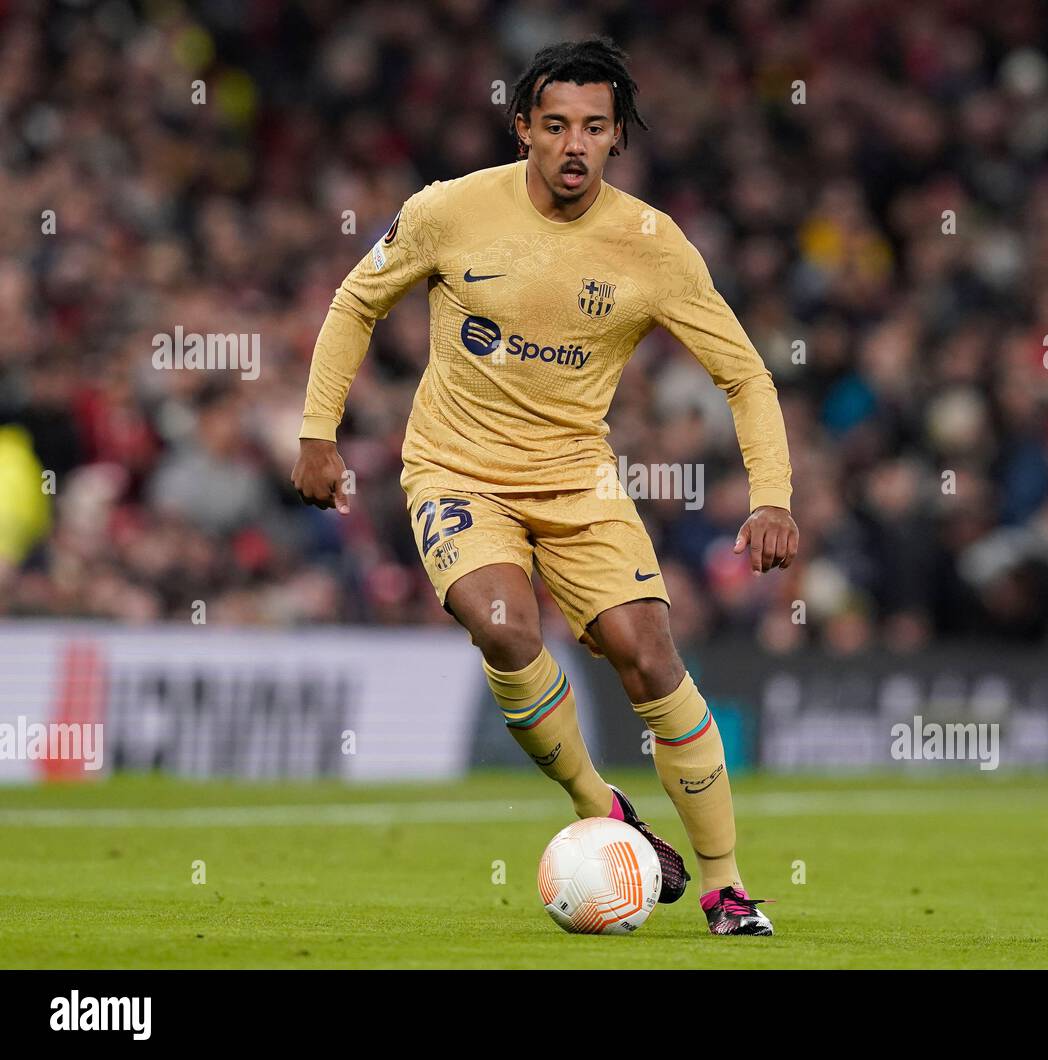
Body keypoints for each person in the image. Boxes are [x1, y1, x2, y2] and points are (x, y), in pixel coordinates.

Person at [292, 37, 797, 935]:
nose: (574, 144)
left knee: (648, 652)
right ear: (522, 126)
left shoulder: (650, 245)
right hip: (457, 469)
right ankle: (599, 804)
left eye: (595, 128)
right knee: (504, 623)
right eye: (556, 124)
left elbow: (746, 375)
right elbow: (354, 301)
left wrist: (771, 496)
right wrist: (316, 433)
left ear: (616, 139)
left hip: (577, 479)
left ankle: (723, 885)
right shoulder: (449, 211)